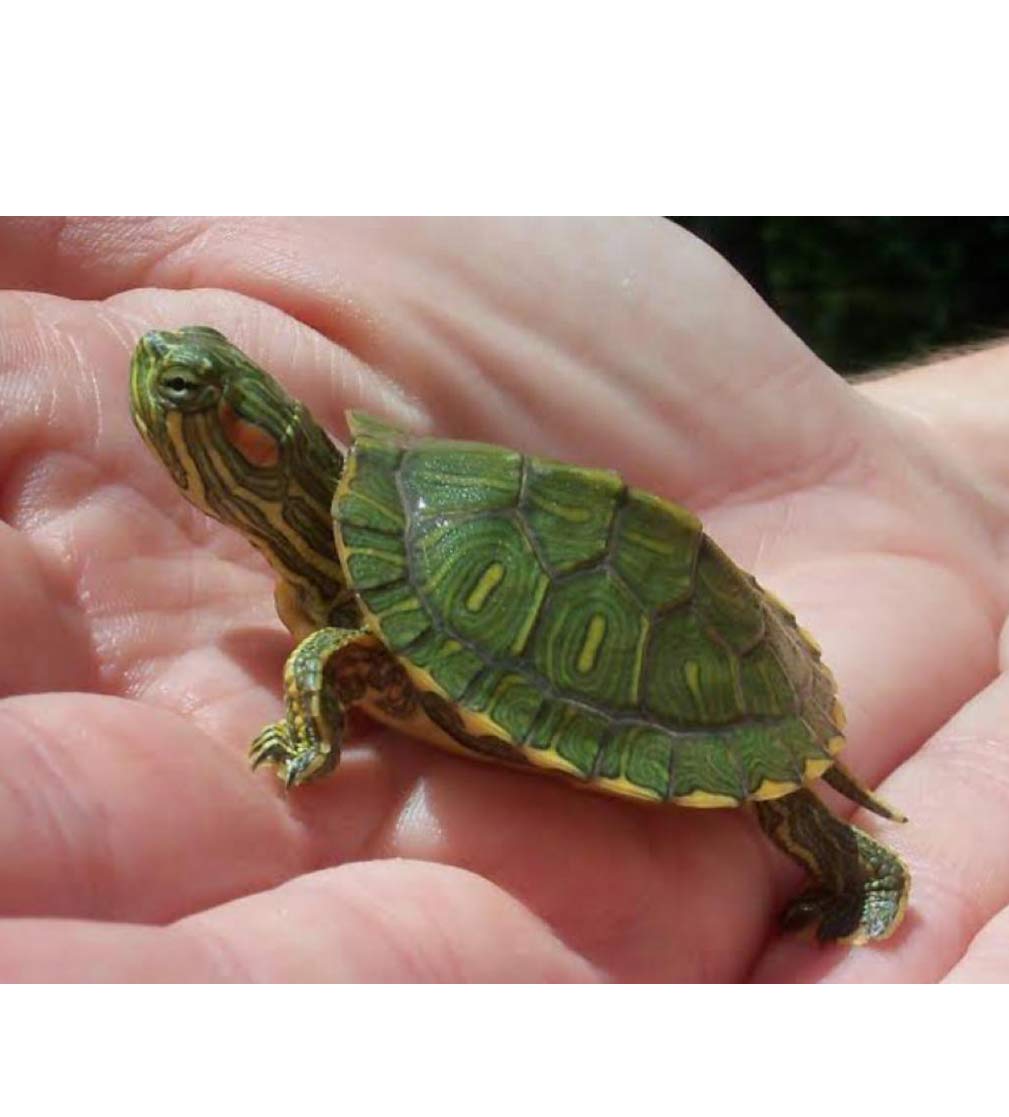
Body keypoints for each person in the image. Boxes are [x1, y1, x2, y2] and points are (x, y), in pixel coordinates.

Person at [0, 215, 1004, 982]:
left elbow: (333, 657)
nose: (156, 373)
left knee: (767, 790)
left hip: (679, 663)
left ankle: (849, 861)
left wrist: (312, 732)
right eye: (189, 388)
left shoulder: (360, 564)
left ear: (253, 449)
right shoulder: (374, 514)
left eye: (189, 394)